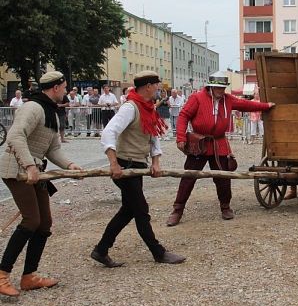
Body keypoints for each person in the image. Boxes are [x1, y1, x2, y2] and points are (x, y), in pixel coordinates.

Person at [91, 71, 185, 267]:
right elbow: (108, 132)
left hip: (137, 166)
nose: (159, 88)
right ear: (148, 86)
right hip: (125, 167)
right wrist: (113, 163)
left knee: (128, 210)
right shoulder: (130, 108)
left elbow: (153, 137)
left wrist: (156, 162)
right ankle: (158, 252)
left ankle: (101, 250)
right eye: (157, 84)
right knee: (141, 210)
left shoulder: (148, 108)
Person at [0, 71, 81, 297]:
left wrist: (70, 165)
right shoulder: (32, 108)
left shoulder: (51, 113)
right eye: (64, 87)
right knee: (31, 220)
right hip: (17, 169)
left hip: (35, 171)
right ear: (55, 88)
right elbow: (15, 136)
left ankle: (29, 277)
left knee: (44, 223)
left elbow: (52, 149)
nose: (65, 91)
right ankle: (2, 274)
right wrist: (29, 166)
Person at [167, 71, 275, 226]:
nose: (220, 91)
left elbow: (246, 105)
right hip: (199, 143)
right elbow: (183, 116)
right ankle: (177, 210)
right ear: (211, 86)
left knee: (223, 178)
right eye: (218, 88)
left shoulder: (228, 99)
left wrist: (265, 106)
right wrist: (181, 138)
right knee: (188, 177)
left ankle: (225, 206)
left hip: (219, 143)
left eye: (223, 88)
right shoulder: (196, 98)